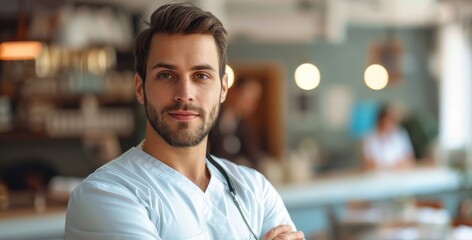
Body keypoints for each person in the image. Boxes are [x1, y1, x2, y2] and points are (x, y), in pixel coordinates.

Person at [65, 3, 304, 240]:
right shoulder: (105, 195)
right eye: (166, 75)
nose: (184, 93)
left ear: (222, 89)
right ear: (140, 88)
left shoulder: (255, 190)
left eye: (201, 76)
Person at [208, 77, 264, 170]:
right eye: (247, 97)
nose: (251, 104)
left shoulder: (247, 126)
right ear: (234, 92)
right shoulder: (213, 117)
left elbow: (252, 156)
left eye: (254, 100)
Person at [361, 102, 414, 170]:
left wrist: (402, 164)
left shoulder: (400, 134)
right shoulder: (369, 137)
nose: (386, 126)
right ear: (379, 122)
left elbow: (410, 157)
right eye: (384, 123)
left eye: (389, 122)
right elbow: (365, 161)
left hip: (399, 172)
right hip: (377, 174)